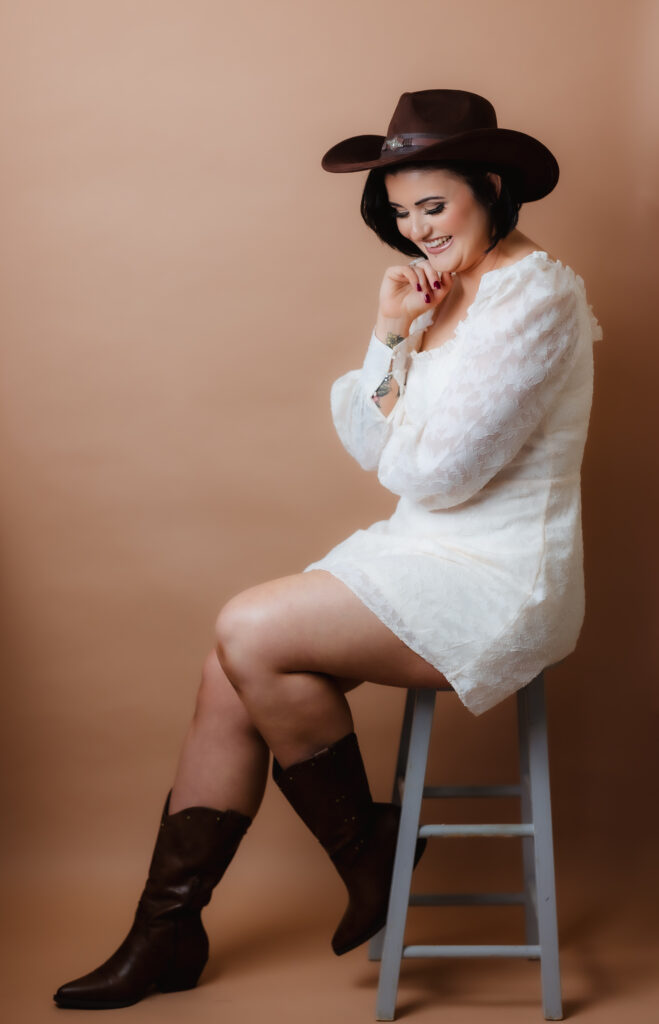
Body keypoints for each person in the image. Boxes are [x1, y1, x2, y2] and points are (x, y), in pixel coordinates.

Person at [54, 89, 601, 1010]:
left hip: (500, 578)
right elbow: (374, 448)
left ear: (491, 186)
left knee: (248, 627)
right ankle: (168, 933)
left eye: (435, 205)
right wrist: (390, 332)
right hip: (418, 552)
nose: (418, 230)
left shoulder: (533, 294)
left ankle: (371, 856)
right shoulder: (437, 293)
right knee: (226, 673)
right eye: (399, 213)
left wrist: (404, 423)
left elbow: (438, 475)